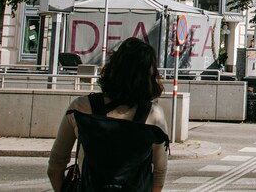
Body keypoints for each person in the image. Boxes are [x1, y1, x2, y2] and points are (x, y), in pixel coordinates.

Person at [47, 37, 170, 192]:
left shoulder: (81, 107)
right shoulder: (154, 115)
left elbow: (55, 168)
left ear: (112, 68)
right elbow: (159, 176)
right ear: (149, 77)